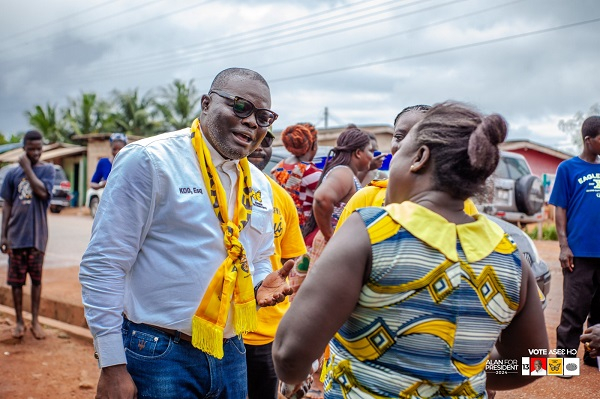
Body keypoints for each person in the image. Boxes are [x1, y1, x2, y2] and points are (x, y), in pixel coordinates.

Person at [273, 102, 548, 397]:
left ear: (419, 158)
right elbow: (533, 363)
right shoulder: (509, 254)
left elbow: (290, 354)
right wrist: (464, 370)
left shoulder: (370, 231)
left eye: (397, 155)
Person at [80, 67, 294, 399]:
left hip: (231, 352)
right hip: (160, 353)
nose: (253, 122)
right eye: (241, 107)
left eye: (264, 116)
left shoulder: (260, 184)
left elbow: (259, 255)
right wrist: (111, 366)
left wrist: (258, 283)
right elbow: (104, 264)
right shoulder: (150, 161)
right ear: (206, 103)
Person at [337, 105, 479, 227]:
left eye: (416, 138)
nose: (404, 144)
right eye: (399, 136)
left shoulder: (458, 204)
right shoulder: (366, 198)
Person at [244, 127, 307, 399]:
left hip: (267, 329)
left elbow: (292, 260)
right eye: (255, 139)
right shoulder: (213, 191)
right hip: (217, 326)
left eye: (267, 140)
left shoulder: (280, 198)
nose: (260, 146)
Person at [549, 115, 600, 365]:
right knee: (573, 311)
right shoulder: (568, 168)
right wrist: (563, 246)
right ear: (588, 140)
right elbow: (560, 208)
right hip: (579, 253)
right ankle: (565, 362)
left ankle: (594, 358)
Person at [1, 130, 55, 340]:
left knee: (36, 280)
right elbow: (7, 205)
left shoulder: (48, 170)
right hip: (16, 236)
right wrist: (3, 235)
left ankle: (34, 321)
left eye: (39, 148)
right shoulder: (11, 175)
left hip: (37, 237)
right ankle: (19, 322)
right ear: (24, 148)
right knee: (16, 282)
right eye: (31, 149)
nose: (35, 153)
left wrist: (27, 169)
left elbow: (42, 193)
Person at [303, 126, 374, 246]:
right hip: (327, 246)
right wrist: (330, 235)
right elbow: (322, 198)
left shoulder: (346, 173)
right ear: (358, 153)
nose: (372, 156)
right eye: (370, 151)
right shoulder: (344, 172)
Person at [271, 123, 322, 228]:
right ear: (313, 144)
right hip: (304, 229)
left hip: (281, 224)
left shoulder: (278, 167)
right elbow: (328, 200)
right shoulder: (309, 171)